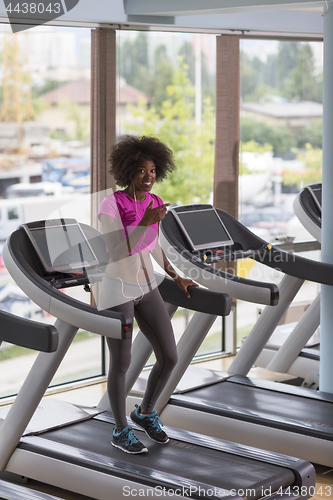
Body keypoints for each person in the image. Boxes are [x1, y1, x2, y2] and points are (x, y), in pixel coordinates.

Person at [98, 135, 198, 454]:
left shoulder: (154, 203)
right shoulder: (111, 203)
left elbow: (154, 247)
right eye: (142, 170)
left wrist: (177, 276)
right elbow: (114, 250)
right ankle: (119, 430)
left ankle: (144, 413)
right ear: (128, 170)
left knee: (170, 356)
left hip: (147, 286)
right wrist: (143, 222)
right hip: (117, 288)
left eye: (153, 170)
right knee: (122, 362)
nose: (149, 176)